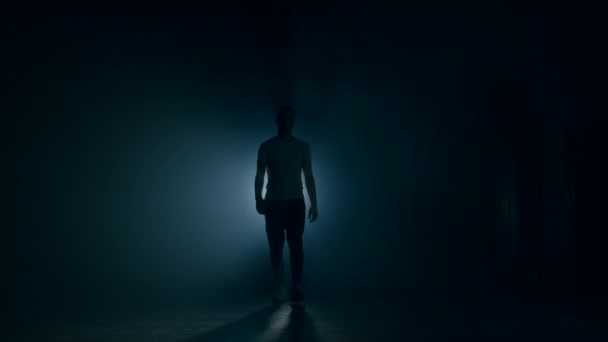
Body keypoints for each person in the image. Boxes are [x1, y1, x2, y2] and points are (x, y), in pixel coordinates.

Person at [255, 105, 318, 302]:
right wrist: (258, 199)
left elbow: (309, 176)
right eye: (283, 117)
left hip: (294, 202)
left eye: (289, 118)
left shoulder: (302, 147)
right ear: (278, 120)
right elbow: (259, 175)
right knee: (276, 247)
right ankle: (282, 287)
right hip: (273, 202)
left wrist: (314, 204)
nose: (286, 121)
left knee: (296, 245)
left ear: (293, 121)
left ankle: (296, 285)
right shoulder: (267, 146)